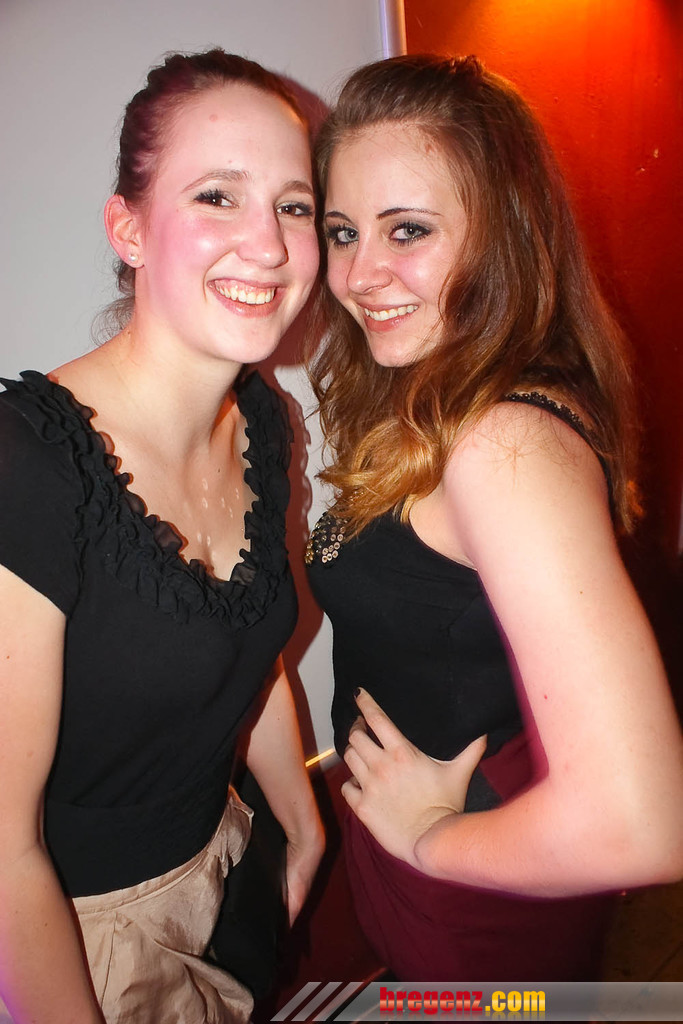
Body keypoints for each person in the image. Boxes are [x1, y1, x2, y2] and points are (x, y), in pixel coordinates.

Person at [306, 54, 683, 982]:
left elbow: (649, 824)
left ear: (502, 233)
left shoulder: (501, 443)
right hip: (435, 841)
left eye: (408, 229)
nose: (359, 274)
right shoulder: (443, 393)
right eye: (343, 231)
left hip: (475, 888)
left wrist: (429, 837)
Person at [0, 49, 324, 1023]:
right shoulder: (30, 465)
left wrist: (301, 820)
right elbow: (5, 849)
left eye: (295, 205)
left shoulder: (262, 420)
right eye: (217, 196)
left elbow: (247, 644)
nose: (268, 244)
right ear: (129, 230)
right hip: (81, 941)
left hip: (224, 868)